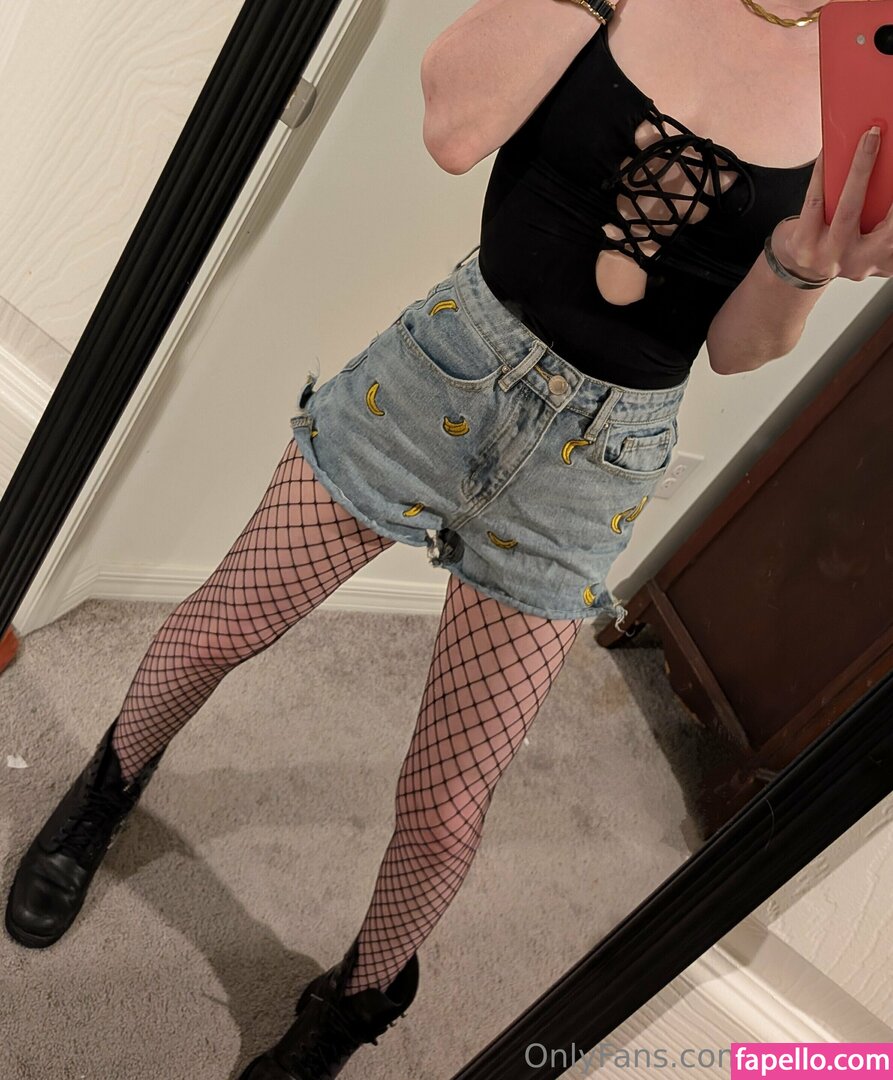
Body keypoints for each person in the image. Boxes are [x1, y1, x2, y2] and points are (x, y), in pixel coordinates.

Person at [6, 0, 891, 1076]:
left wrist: (798, 263)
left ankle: (357, 1000)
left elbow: (738, 350)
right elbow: (455, 132)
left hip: (594, 464)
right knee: (220, 626)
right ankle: (106, 786)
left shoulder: (864, 79)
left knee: (442, 802)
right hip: (441, 374)